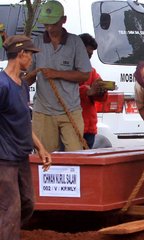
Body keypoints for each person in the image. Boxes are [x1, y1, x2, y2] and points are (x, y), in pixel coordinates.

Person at [1, 35, 52, 240]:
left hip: (21, 156)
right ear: (21, 54)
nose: (32, 59)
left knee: (27, 203)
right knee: (10, 208)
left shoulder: (21, 85)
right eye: (30, 54)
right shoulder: (2, 86)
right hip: (4, 158)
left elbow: (24, 122)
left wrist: (41, 148)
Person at [25, 0, 92, 152]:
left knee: (76, 157)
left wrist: (57, 74)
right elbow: (29, 77)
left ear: (63, 20)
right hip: (43, 111)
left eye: (53, 24)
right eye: (46, 24)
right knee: (45, 159)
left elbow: (85, 75)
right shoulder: (36, 42)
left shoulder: (75, 42)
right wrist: (16, 82)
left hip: (71, 110)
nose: (49, 28)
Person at [78, 33, 109, 149]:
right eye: (86, 54)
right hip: (72, 126)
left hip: (89, 128)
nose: (88, 58)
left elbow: (103, 98)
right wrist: (86, 91)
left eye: (90, 55)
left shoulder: (92, 71)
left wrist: (101, 92)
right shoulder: (66, 69)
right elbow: (65, 91)